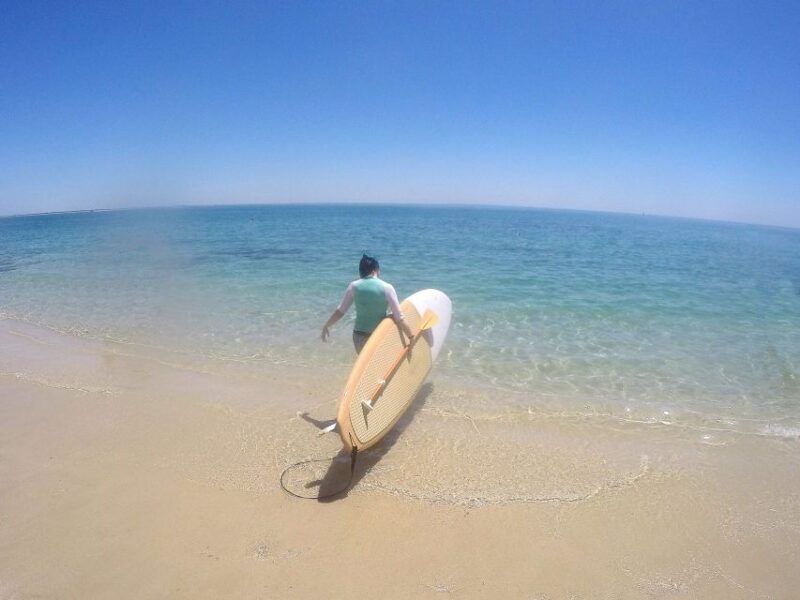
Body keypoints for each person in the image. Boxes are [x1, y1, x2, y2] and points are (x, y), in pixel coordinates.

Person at [321, 254, 414, 353]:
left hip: (358, 337)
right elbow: (399, 317)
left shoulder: (353, 286)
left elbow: (340, 311)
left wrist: (326, 325)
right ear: (375, 270)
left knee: (366, 366)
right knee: (391, 316)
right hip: (378, 336)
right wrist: (411, 336)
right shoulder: (387, 288)